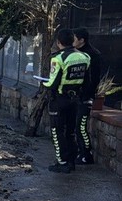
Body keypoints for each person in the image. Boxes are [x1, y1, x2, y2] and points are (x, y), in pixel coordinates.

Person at [44, 29, 91, 173]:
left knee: (57, 131)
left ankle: (62, 161)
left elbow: (53, 83)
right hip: (75, 99)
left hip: (59, 99)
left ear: (59, 43)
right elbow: (87, 81)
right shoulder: (85, 56)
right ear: (72, 40)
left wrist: (44, 83)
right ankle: (71, 160)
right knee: (70, 132)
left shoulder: (58, 58)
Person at [73, 27, 103, 164]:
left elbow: (94, 79)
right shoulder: (76, 53)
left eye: (74, 39)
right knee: (76, 126)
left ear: (81, 40)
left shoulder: (92, 55)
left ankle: (87, 153)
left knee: (81, 126)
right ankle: (80, 151)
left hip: (86, 96)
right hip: (76, 95)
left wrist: (86, 94)